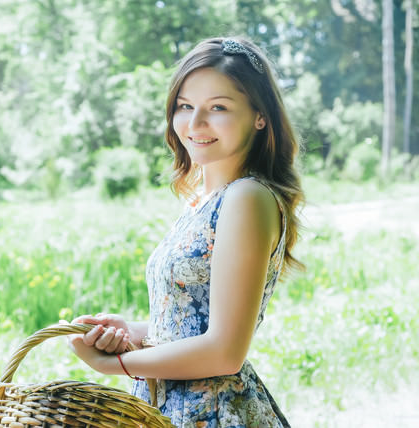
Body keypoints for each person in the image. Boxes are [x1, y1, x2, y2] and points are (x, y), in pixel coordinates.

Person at [66, 36, 303, 427]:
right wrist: (134, 331)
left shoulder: (247, 197)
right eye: (185, 106)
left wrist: (115, 365)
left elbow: (225, 351)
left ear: (260, 115)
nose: (194, 124)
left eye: (218, 108)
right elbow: (191, 325)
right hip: (167, 407)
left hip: (210, 412)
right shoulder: (204, 201)